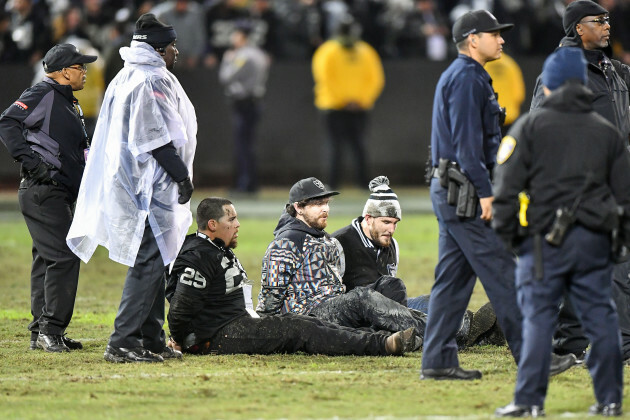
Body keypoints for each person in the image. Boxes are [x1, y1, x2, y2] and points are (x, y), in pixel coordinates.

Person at [493, 47, 628, 418]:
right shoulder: (608, 133)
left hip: (541, 243)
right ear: (583, 84)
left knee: (537, 321)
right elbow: (625, 198)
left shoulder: (529, 128)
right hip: (594, 242)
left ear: (548, 85)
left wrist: (512, 240)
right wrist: (618, 244)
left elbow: (504, 190)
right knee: (602, 321)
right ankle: (610, 400)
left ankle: (528, 401)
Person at [66, 13, 197, 363]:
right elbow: (154, 139)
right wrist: (181, 176)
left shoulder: (128, 76)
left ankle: (151, 338)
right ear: (157, 49)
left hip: (134, 183)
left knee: (158, 261)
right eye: (172, 46)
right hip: (145, 187)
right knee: (149, 261)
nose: (176, 52)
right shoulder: (147, 80)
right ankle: (123, 341)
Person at [166, 197, 417, 357]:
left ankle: (385, 340)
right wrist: (182, 339)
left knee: (305, 325)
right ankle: (384, 345)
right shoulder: (198, 255)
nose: (238, 224)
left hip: (236, 321)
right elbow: (182, 306)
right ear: (212, 225)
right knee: (300, 329)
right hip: (220, 333)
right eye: (231, 219)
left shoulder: (214, 249)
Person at [420, 10, 522, 381]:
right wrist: (486, 193)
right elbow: (467, 147)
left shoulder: (466, 75)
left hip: (451, 188)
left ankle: (438, 360)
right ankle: (534, 355)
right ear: (473, 39)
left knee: (453, 281)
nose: (502, 40)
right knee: (504, 271)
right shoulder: (467, 77)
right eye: (495, 34)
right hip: (463, 190)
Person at [530, 0, 630, 364]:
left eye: (607, 20)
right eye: (597, 21)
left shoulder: (613, 70)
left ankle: (571, 343)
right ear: (576, 29)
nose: (606, 26)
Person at [0, 43, 96, 353]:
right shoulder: (43, 92)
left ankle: (40, 332)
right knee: (64, 257)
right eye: (80, 67)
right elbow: (8, 122)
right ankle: (50, 330)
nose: (85, 71)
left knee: (46, 260)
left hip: (56, 192)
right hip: (44, 191)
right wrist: (33, 163)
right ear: (65, 72)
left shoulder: (68, 101)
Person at [331, 175, 500, 348]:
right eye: (386, 222)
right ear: (368, 218)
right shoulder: (339, 243)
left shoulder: (391, 245)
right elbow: (333, 299)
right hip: (359, 314)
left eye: (395, 223)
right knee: (409, 316)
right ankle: (472, 334)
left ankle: (476, 329)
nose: (391, 229)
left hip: (389, 306)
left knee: (430, 302)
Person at [256, 176, 426, 343]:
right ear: (298, 207)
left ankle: (413, 334)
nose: (325, 209)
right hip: (308, 317)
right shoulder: (286, 242)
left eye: (327, 203)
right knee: (363, 298)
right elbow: (269, 298)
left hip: (337, 308)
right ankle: (433, 336)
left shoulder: (327, 240)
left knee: (391, 285)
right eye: (318, 204)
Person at [311, 14, 384, 189]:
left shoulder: (365, 51)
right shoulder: (328, 51)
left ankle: (363, 182)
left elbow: (376, 79)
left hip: (358, 107)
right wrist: (345, 100)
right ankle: (332, 182)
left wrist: (361, 100)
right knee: (335, 147)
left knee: (360, 146)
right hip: (333, 107)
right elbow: (325, 78)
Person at [218, 20, 269, 194]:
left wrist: (226, 61)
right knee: (248, 144)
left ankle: (244, 184)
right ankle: (251, 182)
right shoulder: (259, 53)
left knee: (243, 145)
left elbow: (226, 77)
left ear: (241, 35)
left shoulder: (242, 55)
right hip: (254, 101)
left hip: (244, 102)